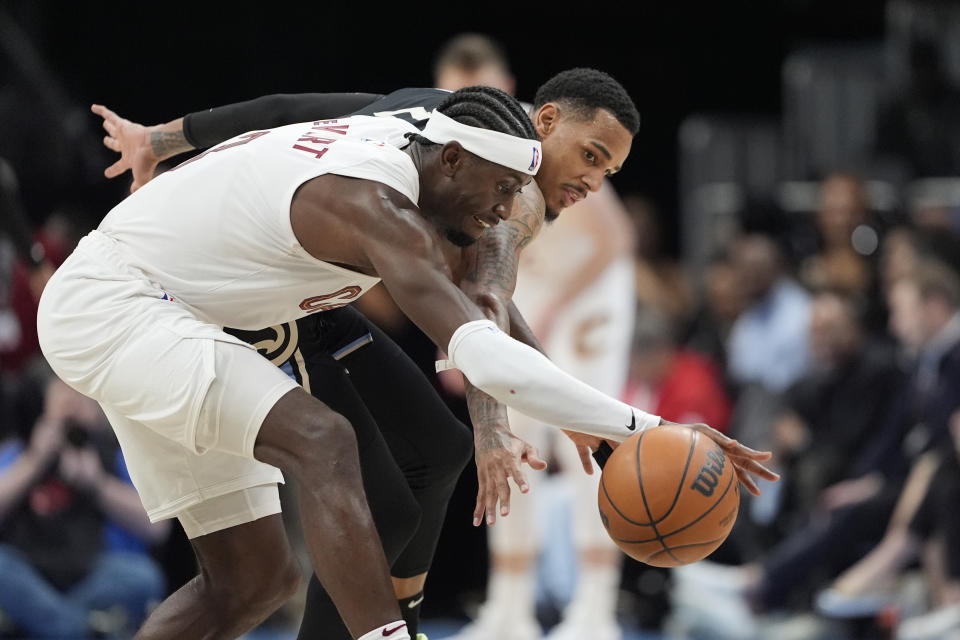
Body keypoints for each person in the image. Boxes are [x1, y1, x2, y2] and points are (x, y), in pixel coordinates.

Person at [90, 75, 778, 640]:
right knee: (374, 489)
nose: (595, 182)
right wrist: (497, 425)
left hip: (300, 296)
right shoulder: (507, 199)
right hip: (229, 290)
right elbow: (482, 318)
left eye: (612, 170)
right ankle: (393, 626)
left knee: (429, 457)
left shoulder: (426, 111)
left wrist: (160, 138)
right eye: (592, 156)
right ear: (543, 123)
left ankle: (400, 617)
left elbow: (287, 108)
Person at [0, 377, 168, 638]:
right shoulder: (22, 450)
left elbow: (157, 528)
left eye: (80, 396)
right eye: (62, 394)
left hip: (93, 572)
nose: (72, 402)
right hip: (30, 571)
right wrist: (35, 461)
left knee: (144, 577)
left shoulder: (114, 453)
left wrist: (96, 484)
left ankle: (54, 627)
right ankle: (81, 631)